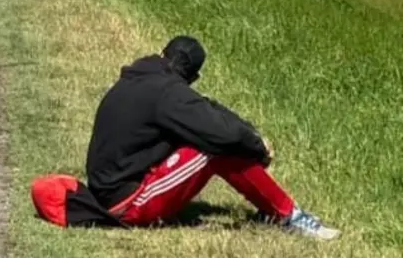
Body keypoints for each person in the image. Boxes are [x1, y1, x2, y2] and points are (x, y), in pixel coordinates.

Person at [83, 35, 341, 239]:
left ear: (162, 54)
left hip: (107, 191)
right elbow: (223, 134)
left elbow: (207, 108)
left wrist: (251, 134)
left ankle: (273, 210)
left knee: (208, 133)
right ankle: (288, 215)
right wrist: (257, 148)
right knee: (215, 147)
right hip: (127, 204)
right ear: (194, 78)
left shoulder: (143, 79)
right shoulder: (169, 94)